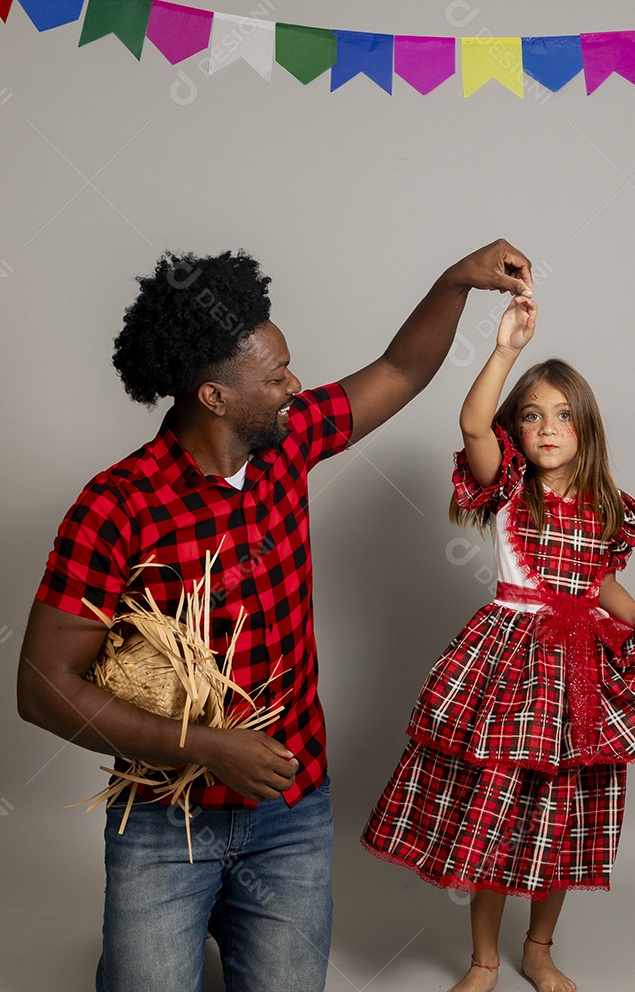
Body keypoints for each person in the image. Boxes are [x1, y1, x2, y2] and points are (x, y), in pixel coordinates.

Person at [17, 240, 532, 992]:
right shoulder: (116, 505)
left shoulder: (285, 444)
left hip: (290, 812)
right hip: (167, 820)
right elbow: (42, 686)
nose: (295, 385)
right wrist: (205, 746)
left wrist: (456, 280)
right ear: (215, 398)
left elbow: (399, 370)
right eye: (276, 375)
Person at [361, 295, 635, 992]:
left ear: (587, 428)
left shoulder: (609, 506)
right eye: (532, 414)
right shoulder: (509, 489)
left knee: (568, 811)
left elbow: (600, 583)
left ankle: (540, 949)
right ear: (516, 430)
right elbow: (469, 421)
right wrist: (506, 349)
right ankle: (484, 960)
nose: (548, 428)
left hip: (582, 666)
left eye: (563, 415)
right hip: (511, 661)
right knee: (500, 808)